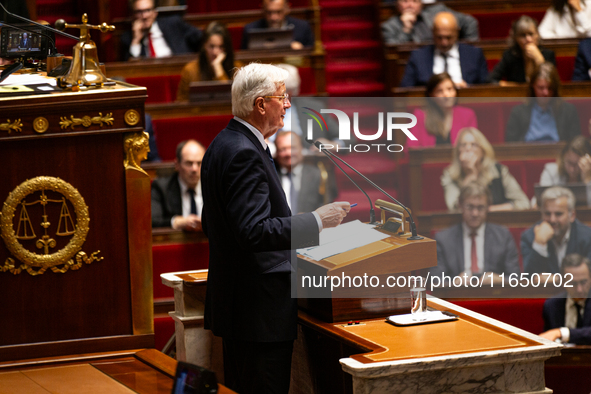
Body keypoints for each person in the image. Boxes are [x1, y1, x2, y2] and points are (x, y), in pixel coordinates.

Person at [200, 63, 350, 394]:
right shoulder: (244, 153)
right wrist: (316, 221)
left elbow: (211, 222)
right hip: (259, 312)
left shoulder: (223, 144)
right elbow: (252, 231)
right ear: (260, 104)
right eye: (281, 97)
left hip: (241, 307)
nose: (288, 105)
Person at [431, 182, 520, 282]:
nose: (475, 213)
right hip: (458, 295)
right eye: (470, 207)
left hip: (494, 294)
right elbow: (434, 281)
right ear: (460, 205)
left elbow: (516, 279)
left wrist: (499, 280)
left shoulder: (503, 236)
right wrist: (454, 283)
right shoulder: (443, 239)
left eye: (480, 207)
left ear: (488, 207)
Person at [441, 127, 530, 211]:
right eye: (463, 145)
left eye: (474, 145)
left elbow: (524, 203)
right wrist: (470, 175)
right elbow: (453, 208)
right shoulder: (450, 175)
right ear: (458, 151)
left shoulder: (498, 171)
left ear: (483, 151)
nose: (468, 149)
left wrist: (489, 210)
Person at [399, 12, 488, 88]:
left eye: (448, 37)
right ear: (432, 32)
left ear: (457, 32)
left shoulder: (474, 54)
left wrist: (467, 90)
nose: (444, 43)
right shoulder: (418, 56)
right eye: (439, 37)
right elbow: (406, 89)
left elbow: (486, 87)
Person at [505, 62, 581, 143]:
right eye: (541, 88)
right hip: (527, 154)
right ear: (533, 86)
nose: (546, 93)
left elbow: (575, 144)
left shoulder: (568, 111)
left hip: (558, 154)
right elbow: (510, 145)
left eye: (550, 88)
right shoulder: (518, 112)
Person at [522, 186, 591, 274]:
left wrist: (557, 279)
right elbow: (529, 279)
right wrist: (539, 244)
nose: (552, 220)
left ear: (572, 215)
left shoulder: (587, 237)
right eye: (547, 214)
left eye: (558, 214)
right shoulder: (530, 236)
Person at [407, 72, 478, 148]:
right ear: (431, 95)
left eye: (450, 89)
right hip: (430, 159)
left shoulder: (467, 115)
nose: (446, 95)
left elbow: (474, 147)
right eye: (440, 91)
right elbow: (412, 148)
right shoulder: (420, 116)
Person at [274, 131, 338, 214]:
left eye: (292, 148)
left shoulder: (317, 174)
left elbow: (326, 206)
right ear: (276, 152)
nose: (288, 153)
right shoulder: (270, 176)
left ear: (301, 148)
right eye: (283, 149)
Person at [120, 0, 202, 60]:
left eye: (147, 10)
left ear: (155, 12)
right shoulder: (128, 38)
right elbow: (130, 68)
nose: (144, 16)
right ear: (133, 15)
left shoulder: (173, 24)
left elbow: (201, 38)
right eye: (139, 12)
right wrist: (136, 41)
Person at [151, 140, 205, 230]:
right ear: (177, 165)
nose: (194, 169)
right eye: (189, 163)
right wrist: (176, 221)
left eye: (199, 163)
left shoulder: (214, 187)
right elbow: (153, 221)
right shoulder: (161, 188)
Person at [176, 22, 236, 103]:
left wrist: (218, 68)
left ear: (227, 48)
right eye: (211, 46)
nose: (215, 52)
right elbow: (181, 103)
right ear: (204, 46)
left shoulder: (237, 70)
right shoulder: (190, 70)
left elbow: (233, 102)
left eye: (221, 47)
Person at [539, 253, 591, 344]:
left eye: (583, 282)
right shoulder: (551, 305)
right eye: (573, 283)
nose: (579, 289)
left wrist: (561, 332)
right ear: (563, 282)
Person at [488, 16, 556, 85]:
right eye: (523, 35)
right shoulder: (510, 56)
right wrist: (511, 86)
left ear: (537, 35)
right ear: (516, 38)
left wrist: (539, 59)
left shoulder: (548, 54)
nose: (528, 39)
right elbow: (490, 79)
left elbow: (553, 82)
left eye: (531, 34)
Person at [381, 0, 479, 45]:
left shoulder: (438, 11)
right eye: (405, 1)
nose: (410, 5)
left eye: (415, 1)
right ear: (397, 4)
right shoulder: (389, 27)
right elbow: (393, 53)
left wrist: (467, 49)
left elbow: (470, 22)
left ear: (421, 4)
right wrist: (406, 30)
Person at [240, 0, 314, 50]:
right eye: (269, 12)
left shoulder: (302, 27)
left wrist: (301, 50)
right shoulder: (250, 29)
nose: (273, 17)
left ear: (287, 9)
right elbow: (245, 55)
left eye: (278, 12)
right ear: (262, 10)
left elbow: (311, 53)